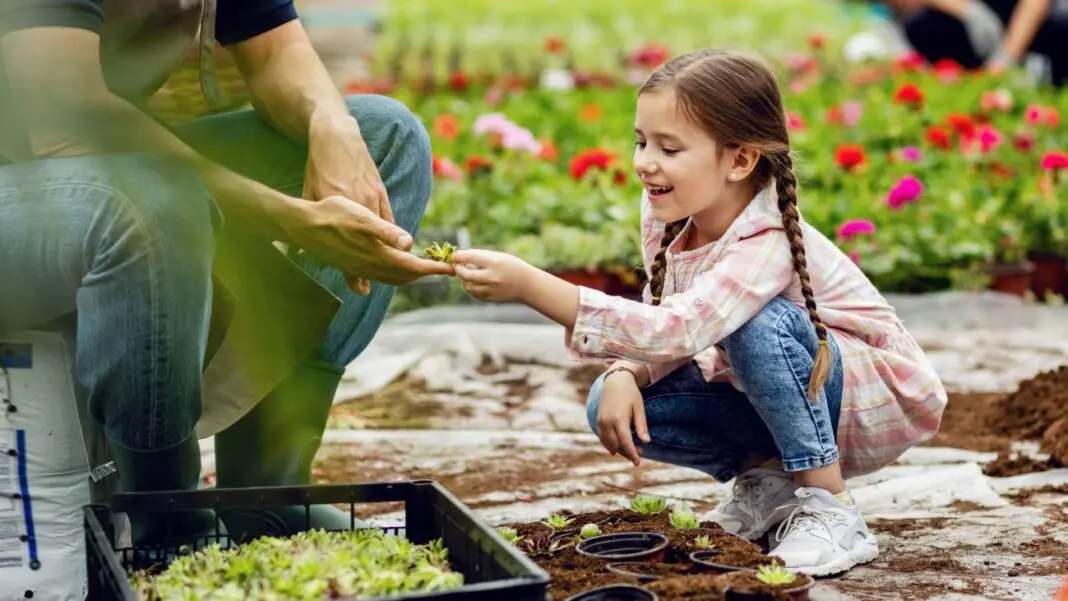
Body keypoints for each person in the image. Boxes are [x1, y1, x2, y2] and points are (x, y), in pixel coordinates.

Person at [451, 48, 948, 576]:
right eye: (641, 142)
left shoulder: (767, 237)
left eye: (669, 148)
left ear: (740, 160)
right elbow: (669, 316)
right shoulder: (668, 211)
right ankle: (768, 481)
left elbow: (681, 329)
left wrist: (531, 285)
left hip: (858, 395)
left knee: (758, 326)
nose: (645, 162)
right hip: (778, 389)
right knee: (609, 400)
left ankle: (830, 505)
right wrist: (626, 370)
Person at [0, 0, 453, 548]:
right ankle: (169, 527)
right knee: (152, 206)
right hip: (30, 178)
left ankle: (265, 498)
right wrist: (293, 219)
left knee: (387, 138)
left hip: (97, 169)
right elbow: (68, 118)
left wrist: (331, 127)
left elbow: (275, 50)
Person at [878, 0, 1068, 86]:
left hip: (1027, 24)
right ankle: (956, 80)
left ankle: (1042, 76)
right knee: (925, 24)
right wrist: (968, 10)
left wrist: (1005, 59)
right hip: (976, 23)